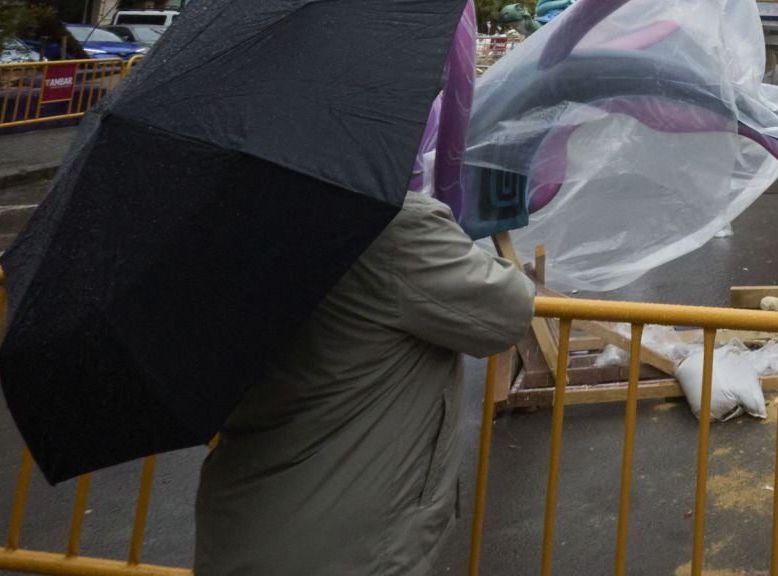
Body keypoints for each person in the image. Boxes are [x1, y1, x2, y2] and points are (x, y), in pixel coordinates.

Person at [194, 193, 535, 576]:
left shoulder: (222, 223)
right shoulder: (386, 226)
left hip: (234, 525)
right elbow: (506, 311)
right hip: (348, 544)